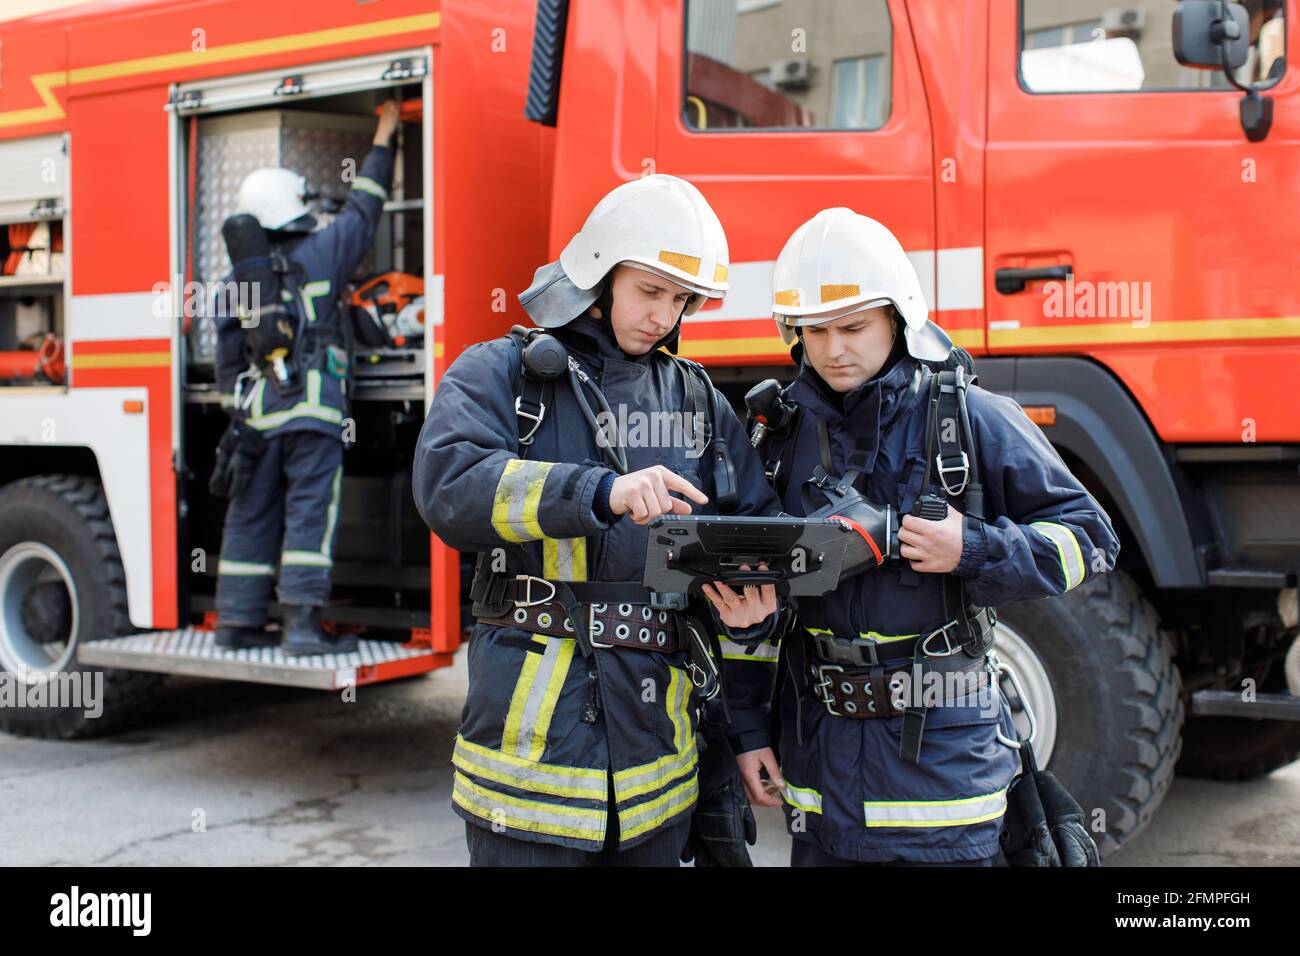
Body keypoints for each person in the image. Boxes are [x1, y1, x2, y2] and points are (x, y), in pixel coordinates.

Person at [729, 208, 1120, 866]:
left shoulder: (973, 419)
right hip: (820, 785)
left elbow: (1091, 539)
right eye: (815, 330)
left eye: (853, 326)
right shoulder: (778, 438)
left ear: (897, 318)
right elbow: (754, 605)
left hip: (945, 789)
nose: (833, 348)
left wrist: (973, 549)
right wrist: (747, 728)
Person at [412, 174, 783, 866]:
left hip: (657, 777)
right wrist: (599, 491)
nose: (663, 316)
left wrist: (753, 609)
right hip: (528, 780)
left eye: (681, 300)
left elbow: (755, 530)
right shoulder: (501, 374)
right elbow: (448, 488)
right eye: (650, 291)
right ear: (598, 274)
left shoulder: (697, 398)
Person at [210, 100, 401, 655]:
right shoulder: (323, 252)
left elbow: (226, 358)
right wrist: (385, 135)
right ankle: (300, 628)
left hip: (254, 421)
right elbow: (366, 206)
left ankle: (236, 623)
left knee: (250, 513)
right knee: (309, 513)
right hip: (314, 414)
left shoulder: (234, 282)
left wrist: (237, 412)